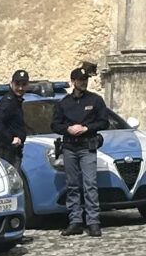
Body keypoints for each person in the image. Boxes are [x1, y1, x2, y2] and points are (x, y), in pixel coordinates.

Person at [51, 65, 121, 239]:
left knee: (90, 184)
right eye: (80, 80)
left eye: (86, 80)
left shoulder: (95, 100)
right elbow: (55, 124)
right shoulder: (64, 103)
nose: (84, 83)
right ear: (73, 82)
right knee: (72, 185)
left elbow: (104, 122)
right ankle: (75, 221)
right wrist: (69, 129)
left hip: (87, 146)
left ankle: (93, 222)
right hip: (69, 147)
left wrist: (86, 128)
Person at [0, 71, 32, 174]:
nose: (20, 88)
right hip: (5, 152)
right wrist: (10, 139)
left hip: (14, 152)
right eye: (17, 84)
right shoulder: (8, 102)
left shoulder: (16, 101)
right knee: (11, 185)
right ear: (11, 84)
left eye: (23, 85)